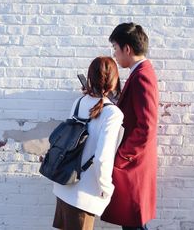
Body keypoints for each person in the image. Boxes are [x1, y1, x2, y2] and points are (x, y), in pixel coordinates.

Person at [52, 56, 124, 230]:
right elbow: (102, 158)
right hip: (83, 195)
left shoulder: (79, 103)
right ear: (114, 81)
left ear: (90, 77)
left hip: (64, 186)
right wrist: (107, 189)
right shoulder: (113, 113)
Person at [101, 23, 159, 230]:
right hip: (134, 163)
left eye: (115, 48)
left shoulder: (142, 76)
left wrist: (122, 156)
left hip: (133, 164)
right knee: (132, 223)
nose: (115, 55)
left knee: (133, 224)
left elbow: (147, 127)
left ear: (127, 49)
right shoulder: (139, 72)